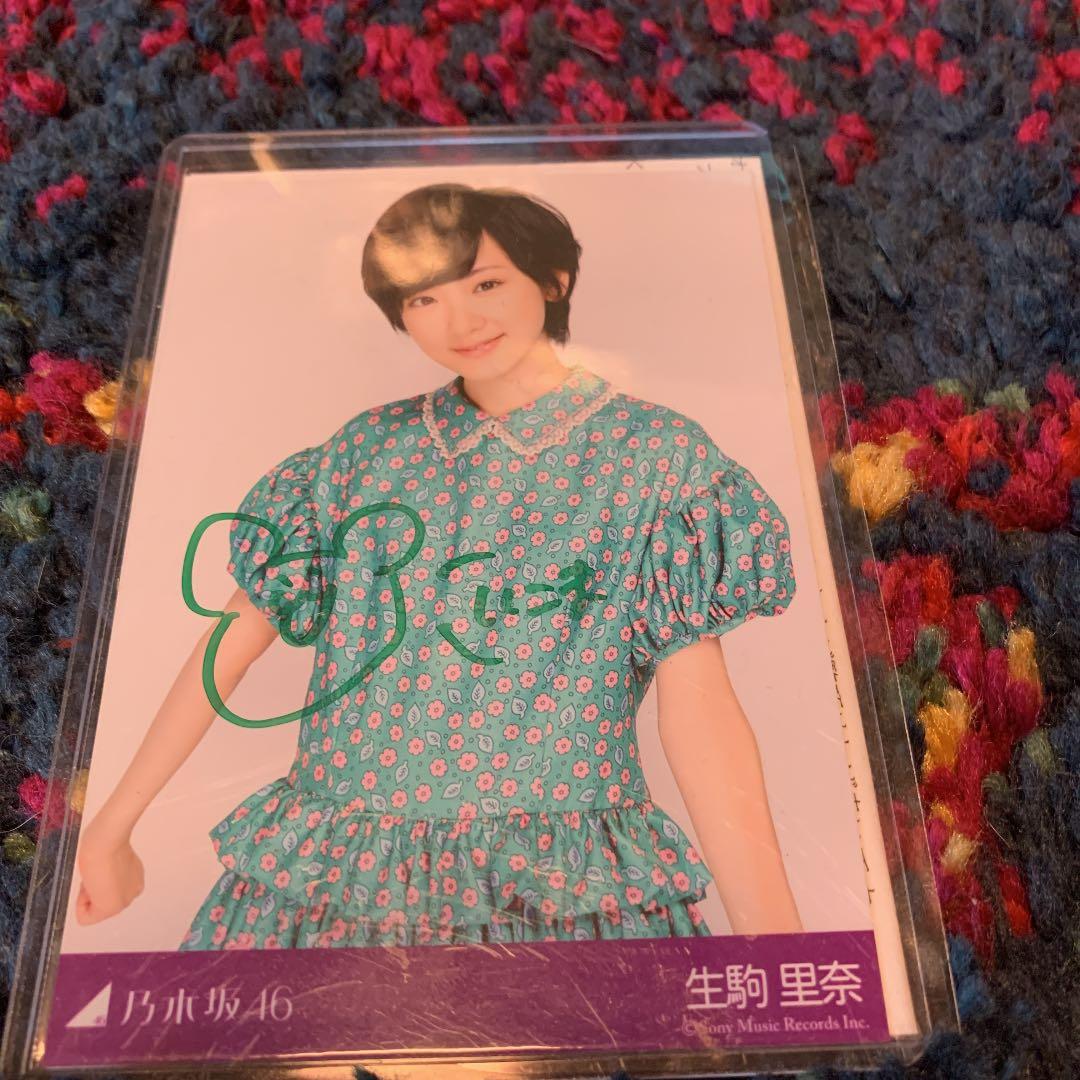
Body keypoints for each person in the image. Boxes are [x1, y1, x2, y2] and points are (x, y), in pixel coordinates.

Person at [74, 182, 802, 949]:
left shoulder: (654, 456)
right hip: (336, 876)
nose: (461, 321)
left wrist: (779, 945)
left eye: (486, 284)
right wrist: (113, 825)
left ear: (552, 280)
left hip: (561, 884)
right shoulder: (363, 453)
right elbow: (231, 640)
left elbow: (700, 713)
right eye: (424, 298)